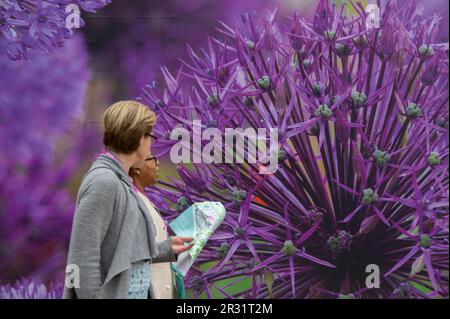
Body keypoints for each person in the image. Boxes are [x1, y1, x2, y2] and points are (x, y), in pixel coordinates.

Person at [63, 100, 193, 299]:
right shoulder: (104, 182)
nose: (151, 146)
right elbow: (82, 258)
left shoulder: (120, 180)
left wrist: (165, 249)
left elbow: (120, 250)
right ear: (139, 138)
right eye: (149, 136)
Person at [130, 155, 185, 299]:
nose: (158, 162)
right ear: (136, 169)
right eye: (151, 159)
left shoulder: (143, 199)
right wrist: (167, 250)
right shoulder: (128, 203)